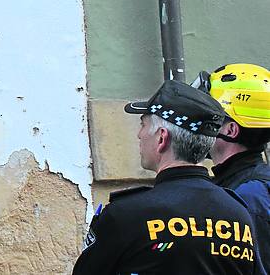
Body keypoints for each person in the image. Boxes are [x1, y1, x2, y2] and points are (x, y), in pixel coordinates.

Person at [73, 80, 265, 275]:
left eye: (143, 124)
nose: (140, 135)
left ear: (162, 138)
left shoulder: (125, 215)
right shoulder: (239, 214)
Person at [193, 63, 270, 273]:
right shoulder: (238, 184)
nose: (199, 125)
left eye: (208, 117)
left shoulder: (250, 195)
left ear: (231, 129)